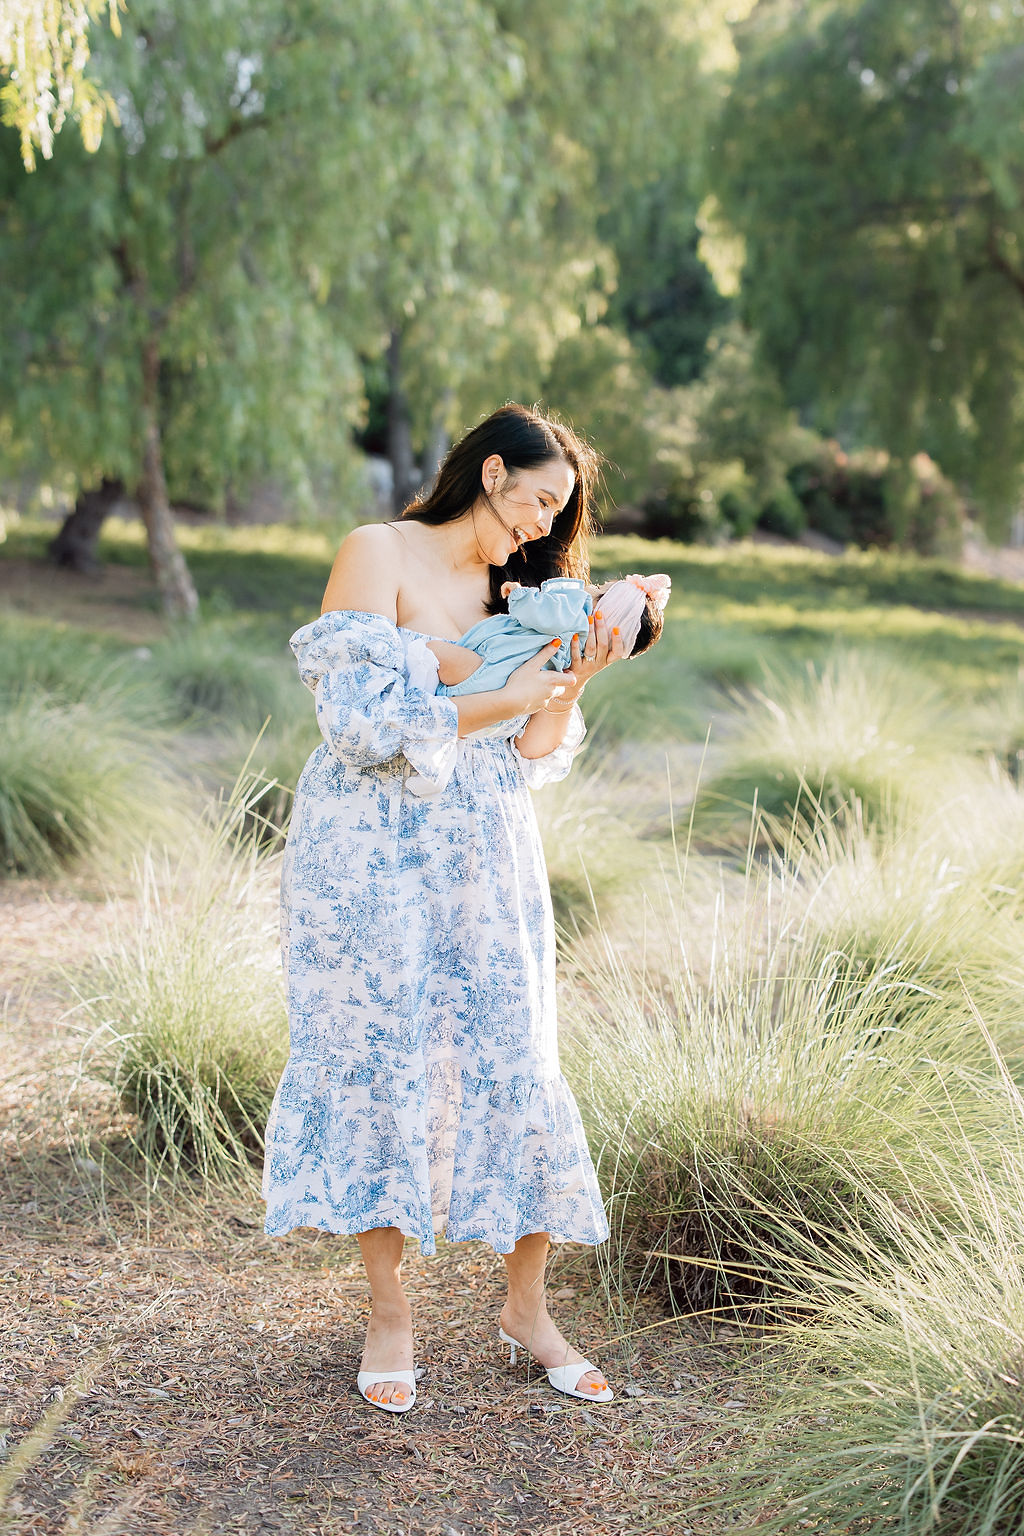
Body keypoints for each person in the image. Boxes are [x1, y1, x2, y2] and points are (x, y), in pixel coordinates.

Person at [261, 404, 633, 1416]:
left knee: (515, 1056)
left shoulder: (529, 591)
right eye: (541, 500)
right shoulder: (376, 552)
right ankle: (389, 1312)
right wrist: (510, 696)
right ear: (494, 471)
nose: (545, 527)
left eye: (562, 514)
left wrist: (568, 686)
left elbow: (533, 754)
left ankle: (526, 1309)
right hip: (367, 846)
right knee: (381, 1056)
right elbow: (357, 725)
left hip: (485, 842)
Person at [420, 572, 670, 698]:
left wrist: (518, 595)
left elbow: (541, 612)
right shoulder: (582, 648)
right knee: (448, 702)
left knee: (432, 653)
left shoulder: (575, 614)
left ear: (604, 609)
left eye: (598, 589)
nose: (591, 587)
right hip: (506, 684)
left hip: (493, 664)